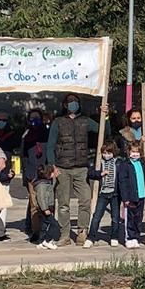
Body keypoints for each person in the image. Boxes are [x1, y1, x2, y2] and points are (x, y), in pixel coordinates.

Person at [44, 94, 101, 246]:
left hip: (81, 167)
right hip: (62, 167)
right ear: (64, 105)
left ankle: (82, 231)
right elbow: (50, 145)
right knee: (63, 203)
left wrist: (105, 117)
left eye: (75, 102)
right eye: (70, 102)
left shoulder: (85, 121)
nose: (73, 104)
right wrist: (52, 165)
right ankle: (64, 235)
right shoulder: (58, 122)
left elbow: (103, 130)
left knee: (85, 200)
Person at [115, 141, 145, 248]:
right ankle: (129, 237)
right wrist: (125, 198)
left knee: (139, 218)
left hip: (141, 195)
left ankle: (136, 237)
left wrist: (143, 141)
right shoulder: (125, 165)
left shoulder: (142, 163)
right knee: (130, 218)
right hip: (130, 196)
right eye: (133, 152)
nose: (135, 154)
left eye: (137, 152)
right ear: (128, 152)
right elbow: (123, 182)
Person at [90, 141, 123, 247]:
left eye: (109, 153)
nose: (106, 155)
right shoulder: (99, 162)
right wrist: (100, 173)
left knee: (115, 217)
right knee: (97, 216)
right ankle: (91, 237)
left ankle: (114, 237)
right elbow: (91, 173)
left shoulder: (118, 162)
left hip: (115, 194)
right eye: (104, 153)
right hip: (103, 193)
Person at [32, 165, 61, 249]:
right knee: (54, 225)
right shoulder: (42, 185)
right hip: (44, 209)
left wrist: (56, 176)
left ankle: (41, 242)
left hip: (47, 207)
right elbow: (41, 198)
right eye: (52, 172)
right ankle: (47, 240)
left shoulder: (47, 182)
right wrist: (45, 209)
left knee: (44, 226)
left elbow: (52, 186)